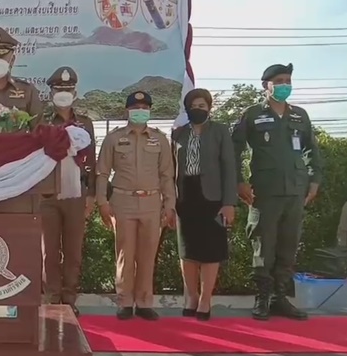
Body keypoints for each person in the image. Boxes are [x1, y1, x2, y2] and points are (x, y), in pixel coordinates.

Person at [232, 63, 323, 321]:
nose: (285, 85)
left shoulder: (300, 116)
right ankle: (263, 298)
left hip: (295, 191)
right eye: (279, 81)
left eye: (288, 80)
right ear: (266, 86)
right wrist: (239, 182)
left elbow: (311, 151)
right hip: (265, 191)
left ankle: (280, 298)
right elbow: (234, 150)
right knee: (263, 245)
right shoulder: (251, 114)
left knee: (288, 245)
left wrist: (314, 180)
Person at [96, 91, 175, 321]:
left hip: (152, 201)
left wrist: (169, 204)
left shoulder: (159, 139)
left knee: (148, 254)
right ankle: (124, 302)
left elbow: (167, 174)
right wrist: (102, 202)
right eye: (136, 107)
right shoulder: (114, 138)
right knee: (125, 253)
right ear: (127, 111)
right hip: (123, 201)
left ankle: (144, 302)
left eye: (145, 107)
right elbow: (102, 172)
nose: (140, 110)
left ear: (150, 111)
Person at [172, 88, 237, 321]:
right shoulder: (178, 134)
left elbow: (230, 168)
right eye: (193, 106)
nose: (197, 109)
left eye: (202, 106)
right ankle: (190, 296)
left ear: (209, 108)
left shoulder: (220, 131)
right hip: (185, 197)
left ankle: (205, 300)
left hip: (213, 198)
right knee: (187, 251)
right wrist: (169, 202)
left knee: (211, 251)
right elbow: (170, 170)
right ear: (187, 109)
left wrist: (229, 202)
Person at [41, 66, 95, 316]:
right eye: (58, 89)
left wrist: (92, 196)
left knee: (73, 250)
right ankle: (52, 299)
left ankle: (70, 299)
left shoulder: (85, 123)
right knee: (49, 251)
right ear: (51, 92)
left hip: (77, 195)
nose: (63, 93)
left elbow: (91, 161)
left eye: (68, 88)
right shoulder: (40, 122)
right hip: (47, 196)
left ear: (75, 92)